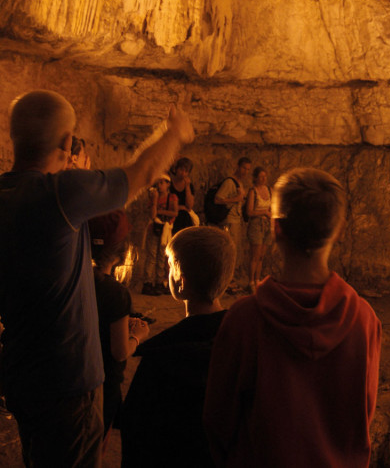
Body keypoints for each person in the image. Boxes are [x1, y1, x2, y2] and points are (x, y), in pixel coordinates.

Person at [0, 90, 193, 468]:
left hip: (23, 376)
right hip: (67, 382)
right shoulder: (59, 195)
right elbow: (142, 173)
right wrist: (174, 133)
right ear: (67, 142)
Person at [204, 168, 381, 467]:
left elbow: (218, 419)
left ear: (275, 229)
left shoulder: (246, 319)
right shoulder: (363, 320)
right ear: (338, 230)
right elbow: (363, 412)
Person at [119, 226, 235, 468]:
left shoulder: (160, 359)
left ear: (181, 283)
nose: (166, 270)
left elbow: (136, 434)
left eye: (170, 264)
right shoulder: (242, 342)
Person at [91, 210, 149, 439]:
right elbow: (120, 352)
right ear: (121, 250)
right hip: (102, 384)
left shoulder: (77, 281)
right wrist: (137, 335)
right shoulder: (116, 293)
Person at [214, 157, 251, 289]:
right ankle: (226, 281)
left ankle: (230, 278)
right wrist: (236, 198)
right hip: (229, 221)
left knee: (234, 250)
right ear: (238, 166)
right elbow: (217, 199)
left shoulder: (239, 183)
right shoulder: (230, 182)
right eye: (243, 168)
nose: (245, 171)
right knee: (229, 251)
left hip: (236, 220)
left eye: (247, 169)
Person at [142, 174, 178, 296]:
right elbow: (152, 215)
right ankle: (148, 283)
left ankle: (159, 282)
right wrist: (155, 200)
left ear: (168, 184)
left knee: (162, 256)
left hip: (165, 230)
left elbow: (175, 212)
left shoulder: (172, 197)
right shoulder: (153, 198)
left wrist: (160, 211)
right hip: (154, 229)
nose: (159, 185)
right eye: (158, 183)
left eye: (162, 183)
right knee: (152, 256)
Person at [245, 166, 271, 293]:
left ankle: (257, 280)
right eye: (261, 176)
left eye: (265, 176)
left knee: (261, 256)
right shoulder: (253, 192)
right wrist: (264, 212)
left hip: (266, 225)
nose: (263, 179)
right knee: (254, 256)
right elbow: (249, 211)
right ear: (255, 178)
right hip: (256, 225)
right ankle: (251, 282)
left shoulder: (269, 190)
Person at [170, 156, 196, 234]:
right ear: (176, 169)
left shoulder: (189, 186)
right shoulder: (169, 183)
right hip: (171, 217)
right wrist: (181, 207)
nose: (183, 173)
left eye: (186, 171)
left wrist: (187, 187)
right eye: (181, 170)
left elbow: (189, 207)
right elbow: (167, 204)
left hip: (183, 218)